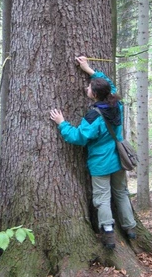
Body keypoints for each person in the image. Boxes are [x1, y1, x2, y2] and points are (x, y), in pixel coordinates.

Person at [50, 56, 136, 249]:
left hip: (101, 164)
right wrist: (88, 69)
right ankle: (130, 227)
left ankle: (108, 233)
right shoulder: (117, 103)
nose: (86, 88)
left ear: (95, 95)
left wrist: (61, 123)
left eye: (89, 87)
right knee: (121, 192)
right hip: (119, 159)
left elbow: (78, 138)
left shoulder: (93, 116)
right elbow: (110, 84)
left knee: (102, 198)